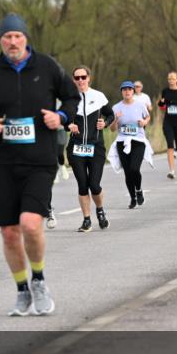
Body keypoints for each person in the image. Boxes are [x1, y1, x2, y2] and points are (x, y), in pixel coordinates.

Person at [0, 13, 79, 317]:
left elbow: (72, 98)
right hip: (3, 162)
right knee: (8, 231)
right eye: (7, 37)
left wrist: (62, 118)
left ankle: (39, 280)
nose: (13, 41)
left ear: (26, 38)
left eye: (17, 36)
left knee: (31, 223)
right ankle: (21, 290)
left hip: (40, 160)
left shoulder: (47, 67)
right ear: (1, 40)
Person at [66, 65, 114, 232]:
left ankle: (100, 210)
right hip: (76, 148)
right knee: (82, 184)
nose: (80, 80)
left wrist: (105, 123)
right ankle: (86, 220)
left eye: (83, 77)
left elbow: (111, 114)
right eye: (77, 78)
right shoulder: (69, 98)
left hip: (96, 147)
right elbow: (62, 118)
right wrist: (68, 125)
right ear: (73, 80)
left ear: (89, 78)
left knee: (94, 185)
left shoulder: (98, 96)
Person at [109, 81, 153, 208]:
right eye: (124, 90)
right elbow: (112, 129)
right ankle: (133, 198)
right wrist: (116, 119)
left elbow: (148, 117)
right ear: (121, 92)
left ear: (133, 91)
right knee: (128, 172)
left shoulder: (140, 105)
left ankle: (138, 190)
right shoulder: (116, 108)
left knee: (134, 168)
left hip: (138, 141)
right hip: (122, 141)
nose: (127, 91)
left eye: (129, 89)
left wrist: (144, 122)